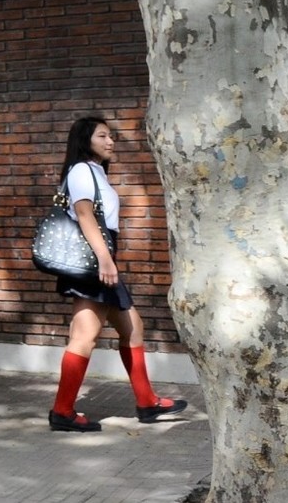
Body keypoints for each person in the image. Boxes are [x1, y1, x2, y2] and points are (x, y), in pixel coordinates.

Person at [48, 116, 188, 432]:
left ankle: (147, 402)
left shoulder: (95, 171)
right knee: (85, 336)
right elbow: (84, 215)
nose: (110, 141)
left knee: (132, 327)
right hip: (93, 262)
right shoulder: (81, 170)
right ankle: (62, 411)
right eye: (102, 136)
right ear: (85, 139)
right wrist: (104, 259)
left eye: (111, 136)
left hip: (101, 259)